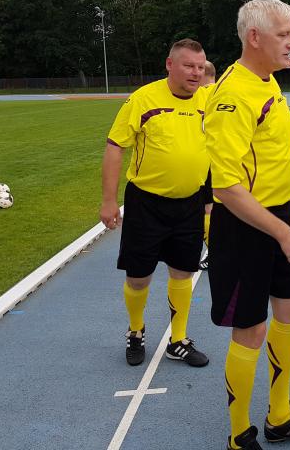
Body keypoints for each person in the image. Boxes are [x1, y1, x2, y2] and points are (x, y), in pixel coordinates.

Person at [204, 0, 290, 450]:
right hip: (245, 226)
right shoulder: (232, 95)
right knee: (251, 328)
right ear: (254, 37)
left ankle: (280, 416)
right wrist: (282, 232)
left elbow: (265, 151)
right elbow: (227, 188)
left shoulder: (267, 82)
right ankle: (240, 435)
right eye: (284, 34)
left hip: (276, 211)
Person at [100, 38, 210, 368]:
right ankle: (136, 331)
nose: (195, 72)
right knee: (139, 277)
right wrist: (108, 202)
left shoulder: (208, 99)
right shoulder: (143, 99)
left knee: (183, 272)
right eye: (189, 65)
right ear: (170, 64)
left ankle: (178, 340)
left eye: (201, 67)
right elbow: (115, 146)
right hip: (146, 204)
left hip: (189, 203)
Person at [199, 60, 217, 270]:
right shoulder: (223, 92)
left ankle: (214, 251)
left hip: (207, 160)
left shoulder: (202, 97)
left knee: (208, 209)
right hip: (225, 160)